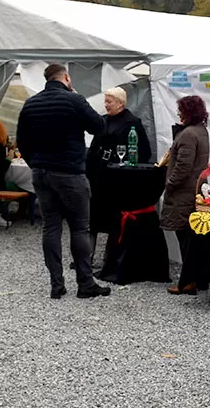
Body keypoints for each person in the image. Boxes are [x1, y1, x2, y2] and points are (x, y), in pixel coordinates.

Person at [16, 63, 110, 300]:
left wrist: (35, 163)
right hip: (70, 172)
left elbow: (22, 141)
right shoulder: (74, 100)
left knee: (51, 227)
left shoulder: (31, 103)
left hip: (41, 172)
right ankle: (85, 284)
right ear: (66, 78)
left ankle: (56, 284)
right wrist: (78, 98)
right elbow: (99, 126)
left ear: (46, 79)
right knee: (79, 227)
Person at [86, 86, 152, 258]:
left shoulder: (132, 123)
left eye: (109, 101)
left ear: (120, 103)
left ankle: (110, 258)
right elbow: (93, 147)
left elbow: (144, 152)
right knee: (93, 218)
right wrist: (89, 169)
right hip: (99, 176)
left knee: (114, 219)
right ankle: (88, 256)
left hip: (118, 179)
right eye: (105, 101)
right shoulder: (102, 121)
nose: (106, 105)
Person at [161, 95, 210, 296]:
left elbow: (183, 166)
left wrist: (170, 184)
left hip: (184, 192)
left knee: (186, 239)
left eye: (181, 110)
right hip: (196, 189)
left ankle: (187, 281)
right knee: (193, 238)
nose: (178, 113)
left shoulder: (188, 134)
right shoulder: (201, 130)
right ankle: (198, 279)